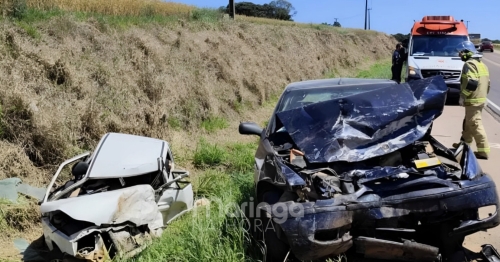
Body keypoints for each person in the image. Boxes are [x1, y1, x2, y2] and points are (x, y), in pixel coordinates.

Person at [452, 41, 491, 160]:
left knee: (475, 123)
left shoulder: (469, 64)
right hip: (480, 99)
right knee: (468, 124)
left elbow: (472, 83)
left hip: (473, 100)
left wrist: (462, 96)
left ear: (466, 53)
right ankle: (464, 145)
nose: (459, 55)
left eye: (461, 53)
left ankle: (483, 150)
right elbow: (488, 84)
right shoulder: (481, 64)